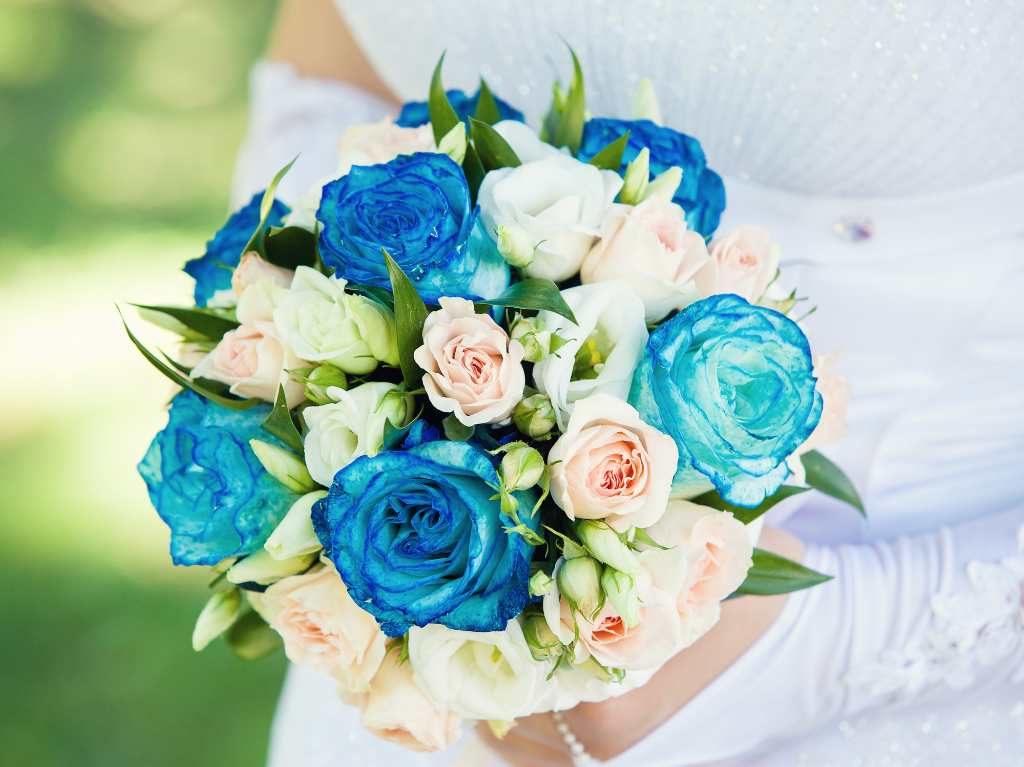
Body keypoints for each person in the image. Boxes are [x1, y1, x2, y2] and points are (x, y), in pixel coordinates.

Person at [233, 1, 1024, 764]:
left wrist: (839, 633)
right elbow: (324, 80)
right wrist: (297, 332)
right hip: (426, 704)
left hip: (902, 707)